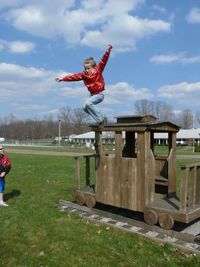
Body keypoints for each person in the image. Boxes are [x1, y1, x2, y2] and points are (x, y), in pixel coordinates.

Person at [55, 44, 112, 125]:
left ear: (93, 67)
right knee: (85, 107)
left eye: (88, 68)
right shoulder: (83, 75)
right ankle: (101, 119)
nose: (86, 70)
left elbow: (104, 60)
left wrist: (108, 50)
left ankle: (101, 119)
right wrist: (62, 79)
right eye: (85, 68)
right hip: (92, 95)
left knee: (88, 104)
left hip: (99, 94)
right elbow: (73, 77)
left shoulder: (98, 70)